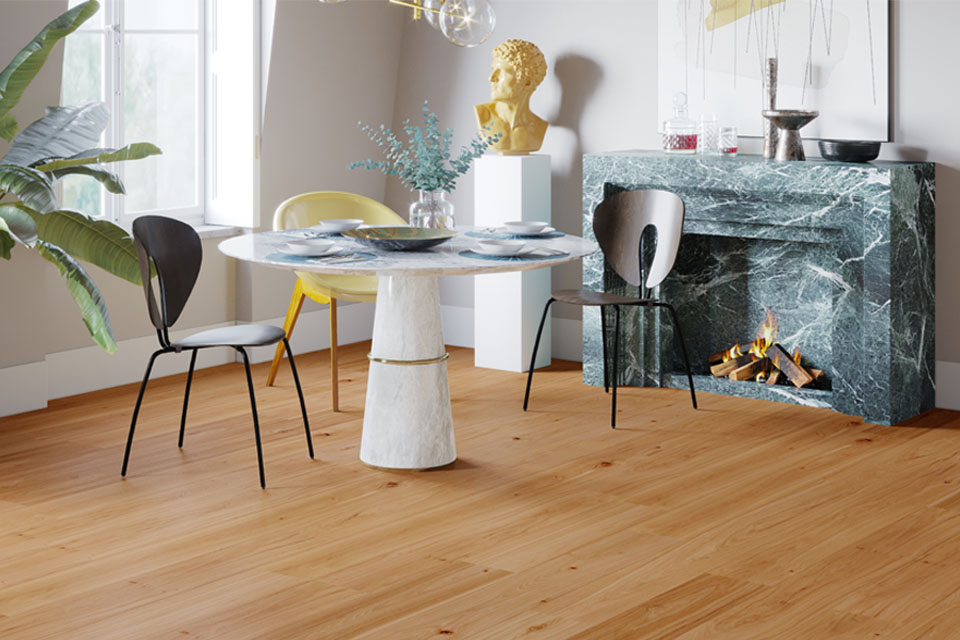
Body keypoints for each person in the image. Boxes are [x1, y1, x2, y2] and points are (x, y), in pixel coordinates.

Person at [474, 40, 548, 155]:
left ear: (527, 81)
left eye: (502, 72)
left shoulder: (538, 127)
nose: (492, 78)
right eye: (493, 70)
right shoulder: (483, 116)